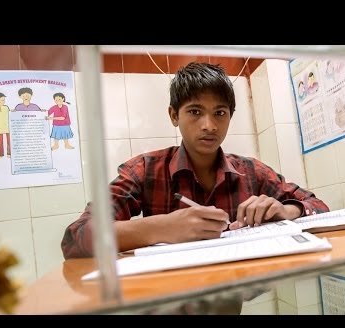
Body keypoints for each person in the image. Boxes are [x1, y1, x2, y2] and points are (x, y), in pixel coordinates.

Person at [61, 62, 330, 259]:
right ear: (174, 115)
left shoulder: (251, 171)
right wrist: (161, 227)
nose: (209, 125)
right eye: (195, 111)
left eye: (220, 113)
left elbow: (319, 206)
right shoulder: (145, 170)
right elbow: (76, 237)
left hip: (236, 291)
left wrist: (288, 211)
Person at [0, 92, 10, 159]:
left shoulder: (6, 107)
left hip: (8, 127)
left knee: (9, 141)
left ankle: (9, 153)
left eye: (3, 100)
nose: (2, 102)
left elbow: (10, 115)